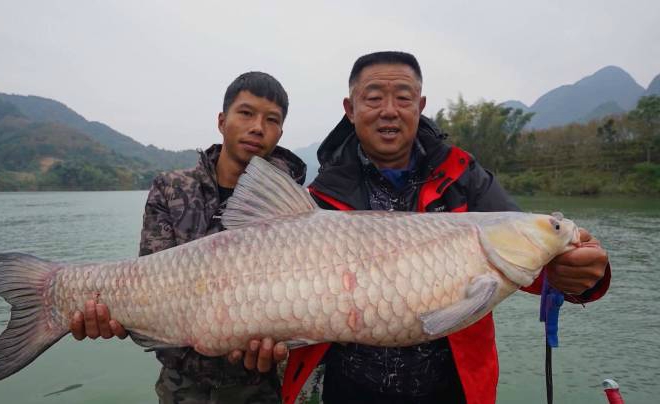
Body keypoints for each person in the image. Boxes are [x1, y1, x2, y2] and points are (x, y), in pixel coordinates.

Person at [301, 51, 611, 404]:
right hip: (350, 388)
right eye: (373, 98)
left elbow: (531, 261)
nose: (389, 110)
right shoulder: (319, 198)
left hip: (451, 388)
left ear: (420, 105)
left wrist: (580, 275)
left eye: (403, 98)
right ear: (350, 108)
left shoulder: (463, 175)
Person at [69, 71, 306, 403]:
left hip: (262, 386)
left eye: (271, 120)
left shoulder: (297, 210)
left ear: (280, 133)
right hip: (182, 383)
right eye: (246, 113)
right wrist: (113, 312)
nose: (257, 127)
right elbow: (148, 285)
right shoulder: (171, 188)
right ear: (222, 121)